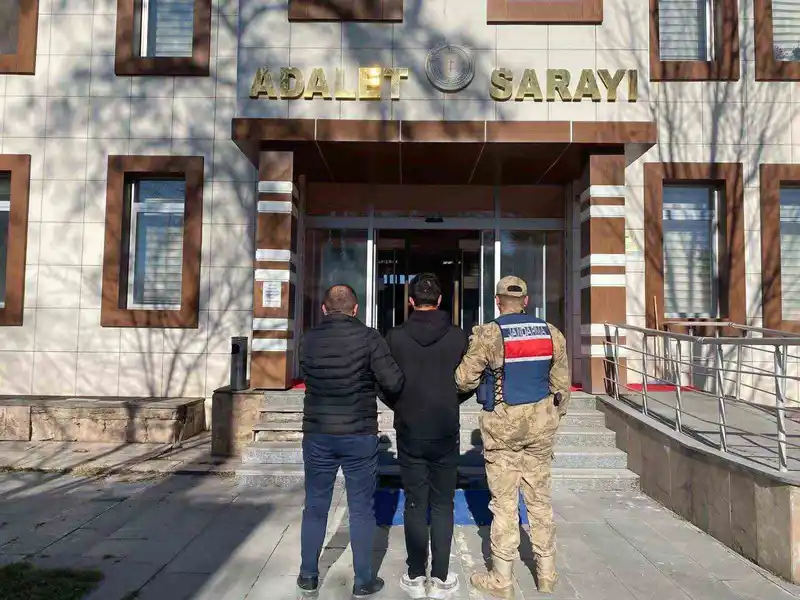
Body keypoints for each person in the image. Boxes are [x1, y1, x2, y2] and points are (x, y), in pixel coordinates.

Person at [455, 276, 570, 598]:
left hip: (503, 427)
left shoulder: (489, 333)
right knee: (540, 500)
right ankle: (546, 575)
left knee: (504, 504)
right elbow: (561, 386)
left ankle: (502, 579)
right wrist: (552, 418)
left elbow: (464, 380)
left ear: (497, 301)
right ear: (526, 301)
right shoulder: (551, 333)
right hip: (541, 426)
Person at [297, 284, 404, 598]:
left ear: (324, 308)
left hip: (318, 433)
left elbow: (309, 375)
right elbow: (393, 381)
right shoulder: (369, 338)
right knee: (361, 509)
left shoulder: (308, 339)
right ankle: (363, 580)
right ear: (356, 309)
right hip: (358, 433)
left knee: (315, 506)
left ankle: (308, 575)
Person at [383, 274, 469, 600]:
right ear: (440, 300)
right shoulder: (458, 336)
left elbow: (383, 381)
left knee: (415, 502)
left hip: (409, 428)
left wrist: (400, 404)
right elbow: (469, 379)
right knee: (443, 503)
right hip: (445, 428)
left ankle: (416, 574)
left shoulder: (395, 336)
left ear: (411, 301)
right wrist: (451, 400)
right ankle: (442, 577)